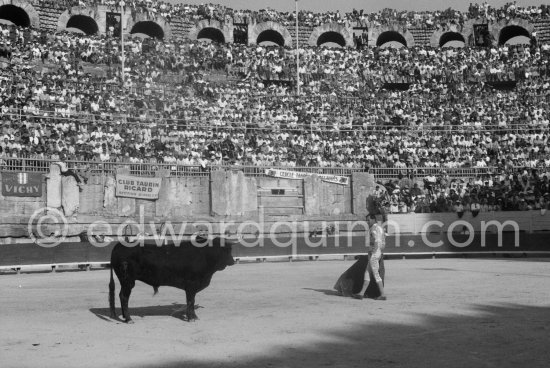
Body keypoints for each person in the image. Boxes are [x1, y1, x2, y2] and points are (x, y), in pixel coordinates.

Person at [366, 214, 387, 300]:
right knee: (368, 272)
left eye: (368, 220)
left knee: (376, 274)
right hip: (380, 253)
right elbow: (384, 241)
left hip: (375, 253)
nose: (367, 222)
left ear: (373, 220)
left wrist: (374, 250)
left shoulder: (373, 229)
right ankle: (361, 293)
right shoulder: (380, 228)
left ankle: (382, 294)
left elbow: (376, 239)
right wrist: (380, 250)